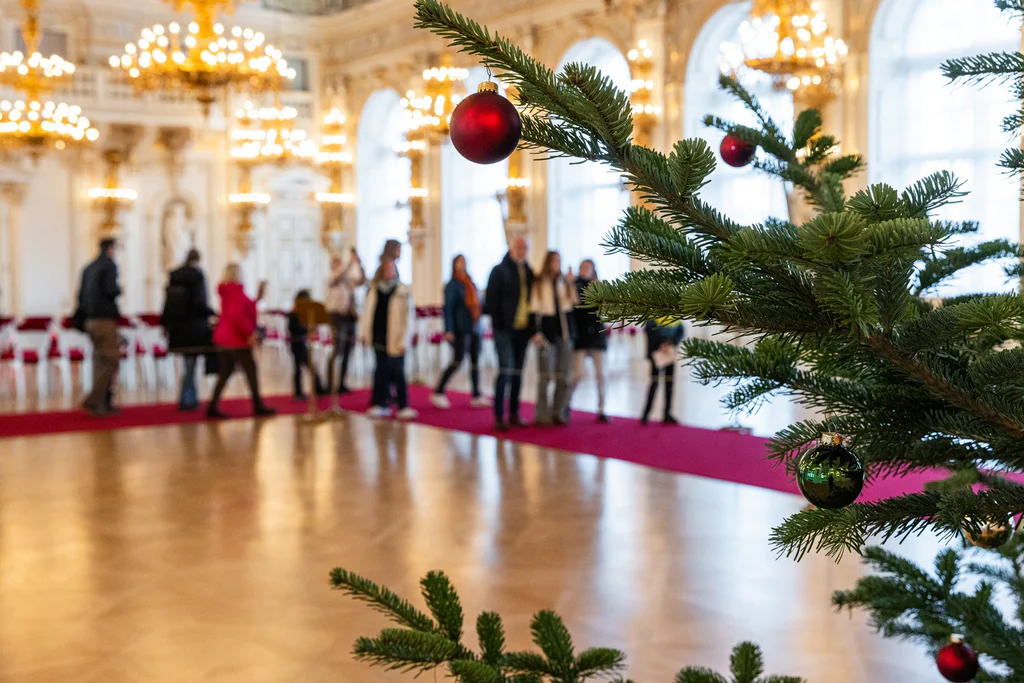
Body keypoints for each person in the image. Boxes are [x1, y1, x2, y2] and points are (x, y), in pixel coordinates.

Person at [206, 264, 275, 419]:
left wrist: (257, 297)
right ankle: (258, 405)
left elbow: (244, 307)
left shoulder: (227, 291)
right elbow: (237, 316)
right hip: (235, 339)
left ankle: (212, 405)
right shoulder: (235, 290)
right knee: (251, 370)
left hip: (225, 337)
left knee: (225, 372)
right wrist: (250, 333)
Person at [485, 236, 535, 432]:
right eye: (519, 247)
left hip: (523, 330)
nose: (522, 251)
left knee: (518, 373)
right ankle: (499, 415)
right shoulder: (499, 270)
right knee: (506, 370)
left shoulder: (528, 271)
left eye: (525, 248)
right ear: (512, 248)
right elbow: (491, 301)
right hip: (504, 329)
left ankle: (514, 413)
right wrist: (500, 323)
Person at [359, 259, 417, 420]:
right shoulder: (374, 290)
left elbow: (409, 318)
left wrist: (405, 339)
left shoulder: (402, 291)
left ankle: (403, 405)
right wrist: (364, 334)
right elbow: (367, 314)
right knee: (380, 370)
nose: (388, 272)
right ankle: (380, 403)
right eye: (386, 268)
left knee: (398, 371)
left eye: (391, 268)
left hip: (396, 336)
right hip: (378, 335)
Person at [431, 254, 489, 409]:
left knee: (475, 361)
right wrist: (448, 330)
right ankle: (438, 391)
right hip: (461, 328)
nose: (462, 264)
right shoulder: (452, 285)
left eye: (464, 261)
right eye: (459, 262)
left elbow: (478, 303)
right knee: (458, 360)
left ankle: (476, 394)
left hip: (475, 327)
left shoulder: (470, 283)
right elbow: (448, 309)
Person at [161, 248, 215, 411]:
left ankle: (190, 396)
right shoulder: (198, 275)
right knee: (191, 364)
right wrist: (211, 312)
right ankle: (187, 398)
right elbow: (199, 302)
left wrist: (166, 324)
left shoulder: (174, 275)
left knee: (187, 363)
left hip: (177, 326)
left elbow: (167, 304)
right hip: (194, 326)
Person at [531, 250, 577, 426]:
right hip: (546, 333)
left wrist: (571, 284)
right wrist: (536, 332)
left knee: (563, 376)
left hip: (564, 332)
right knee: (545, 376)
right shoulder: (539, 283)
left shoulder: (564, 282)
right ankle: (542, 414)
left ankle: (559, 411)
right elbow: (534, 309)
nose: (556, 264)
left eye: (559, 260)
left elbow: (574, 302)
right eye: (553, 260)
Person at [77, 237, 122, 416]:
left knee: (100, 360)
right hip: (104, 319)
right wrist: (119, 289)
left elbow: (80, 295)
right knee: (112, 360)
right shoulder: (109, 266)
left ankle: (103, 403)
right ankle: (94, 400)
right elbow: (111, 289)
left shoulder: (88, 268)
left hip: (89, 320)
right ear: (111, 249)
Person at [571, 259, 609, 423]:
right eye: (582, 267)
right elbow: (574, 305)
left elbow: (605, 310)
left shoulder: (599, 287)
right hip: (580, 337)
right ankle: (567, 404)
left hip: (597, 337)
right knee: (577, 374)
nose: (585, 270)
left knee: (601, 375)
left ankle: (602, 408)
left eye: (588, 267)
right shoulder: (574, 286)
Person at [324, 249, 366, 394]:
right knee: (337, 350)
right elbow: (338, 275)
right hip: (337, 316)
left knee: (348, 350)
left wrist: (360, 265)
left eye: (339, 263)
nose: (339, 266)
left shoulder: (348, 279)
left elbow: (362, 281)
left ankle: (342, 382)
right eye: (336, 264)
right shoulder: (331, 278)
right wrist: (349, 264)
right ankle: (330, 384)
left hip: (350, 316)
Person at [641, 317, 684, 425]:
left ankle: (667, 414)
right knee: (654, 383)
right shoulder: (653, 315)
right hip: (657, 353)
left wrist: (671, 343)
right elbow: (650, 330)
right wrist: (661, 344)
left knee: (669, 383)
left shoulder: (675, 316)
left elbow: (681, 330)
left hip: (669, 353)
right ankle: (646, 414)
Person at [288, 289, 327, 401]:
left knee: (307, 367)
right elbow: (293, 329)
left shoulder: (300, 313)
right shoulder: (293, 313)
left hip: (300, 343)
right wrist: (307, 329)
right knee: (300, 369)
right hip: (296, 344)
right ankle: (299, 392)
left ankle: (317, 388)